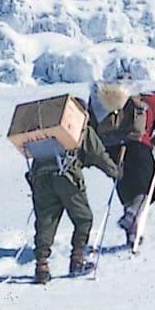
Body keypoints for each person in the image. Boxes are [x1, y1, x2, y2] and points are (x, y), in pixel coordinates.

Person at [27, 114, 121, 283]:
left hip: (40, 177)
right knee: (83, 218)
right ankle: (77, 260)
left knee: (45, 222)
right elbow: (98, 154)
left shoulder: (48, 128)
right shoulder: (80, 127)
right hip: (67, 177)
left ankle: (41, 266)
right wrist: (114, 171)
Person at [113, 90, 155, 245]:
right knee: (147, 189)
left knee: (128, 191)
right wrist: (154, 139)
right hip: (140, 147)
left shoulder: (130, 99)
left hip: (117, 149)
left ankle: (132, 234)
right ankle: (132, 217)